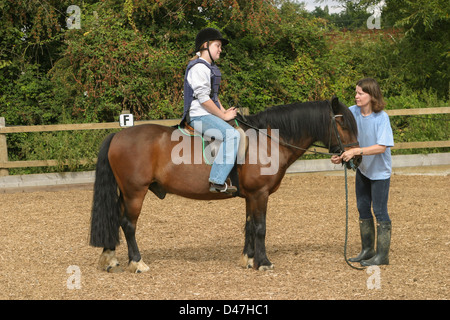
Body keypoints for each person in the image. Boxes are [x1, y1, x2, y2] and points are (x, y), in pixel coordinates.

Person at [331, 78, 394, 266]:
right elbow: (346, 137)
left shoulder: (382, 117)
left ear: (371, 95)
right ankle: (368, 250)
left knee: (380, 211)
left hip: (380, 172)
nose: (356, 96)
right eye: (356, 92)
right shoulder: (352, 112)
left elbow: (382, 147)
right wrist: (341, 155)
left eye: (360, 93)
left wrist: (356, 151)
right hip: (363, 170)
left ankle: (382, 256)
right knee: (363, 208)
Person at [182, 28, 240, 194]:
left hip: (206, 113)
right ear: (205, 45)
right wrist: (222, 115)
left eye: (221, 46)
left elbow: (213, 96)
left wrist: (225, 111)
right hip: (199, 116)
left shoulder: (208, 67)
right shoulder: (199, 68)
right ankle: (217, 180)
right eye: (218, 45)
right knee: (232, 135)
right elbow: (204, 100)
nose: (220, 50)